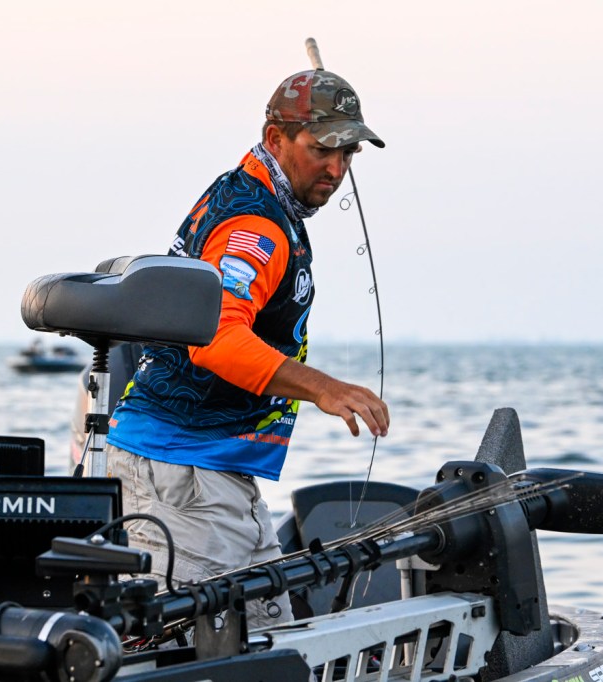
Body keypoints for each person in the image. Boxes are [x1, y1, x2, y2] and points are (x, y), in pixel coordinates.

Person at [104, 68, 388, 629]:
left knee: (272, 644)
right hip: (181, 476)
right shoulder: (254, 225)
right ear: (275, 138)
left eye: (348, 153)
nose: (336, 170)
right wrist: (323, 389)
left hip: (221, 472)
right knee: (190, 654)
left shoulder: (258, 197)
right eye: (321, 150)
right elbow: (217, 339)